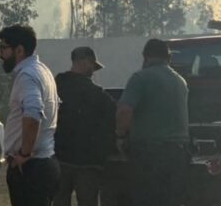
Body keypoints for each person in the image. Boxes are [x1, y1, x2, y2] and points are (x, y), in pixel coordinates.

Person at [115, 38, 191, 206]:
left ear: (145, 56)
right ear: (168, 58)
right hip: (178, 152)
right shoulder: (180, 81)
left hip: (149, 152)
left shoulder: (140, 78)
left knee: (146, 198)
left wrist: (120, 136)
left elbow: (124, 111)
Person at [0, 24, 61, 206]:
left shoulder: (27, 76)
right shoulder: (42, 70)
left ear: (19, 50)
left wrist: (24, 153)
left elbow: (33, 114)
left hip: (31, 168)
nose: (0, 54)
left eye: (3, 48)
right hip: (42, 163)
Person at [54, 46, 115, 206]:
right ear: (85, 62)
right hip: (88, 162)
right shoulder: (98, 94)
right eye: (92, 66)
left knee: (59, 200)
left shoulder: (56, 85)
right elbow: (111, 121)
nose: (93, 71)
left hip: (60, 157)